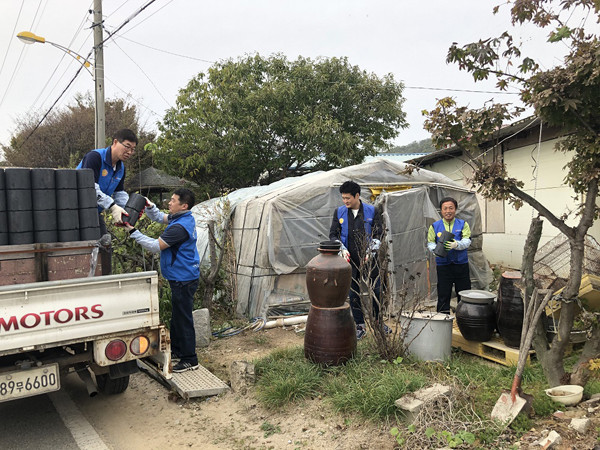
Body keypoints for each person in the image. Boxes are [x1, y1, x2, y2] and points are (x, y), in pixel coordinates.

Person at [123, 188, 201, 373]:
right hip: (182, 276)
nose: (169, 202)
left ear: (184, 205)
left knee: (183, 319)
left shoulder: (179, 228)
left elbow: (155, 246)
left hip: (184, 278)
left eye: (173, 200)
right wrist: (149, 206)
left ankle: (190, 359)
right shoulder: (181, 218)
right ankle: (179, 352)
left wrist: (133, 231)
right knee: (178, 317)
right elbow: (160, 217)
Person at [329, 181, 384, 339]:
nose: (345, 201)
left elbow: (378, 232)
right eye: (343, 198)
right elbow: (333, 234)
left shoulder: (372, 211)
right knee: (353, 294)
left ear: (357, 196)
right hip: (349, 260)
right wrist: (341, 248)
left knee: (377, 290)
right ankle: (360, 325)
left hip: (369, 258)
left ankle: (379, 322)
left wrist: (372, 249)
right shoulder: (338, 212)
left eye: (348, 198)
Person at [76, 129, 138, 234]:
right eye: (127, 147)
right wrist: (112, 206)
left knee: (104, 246)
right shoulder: (94, 157)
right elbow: (89, 189)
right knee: (83, 247)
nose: (129, 152)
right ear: (115, 142)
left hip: (94, 212)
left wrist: (130, 210)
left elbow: (119, 194)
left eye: (133, 149)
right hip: (75, 210)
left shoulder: (121, 169)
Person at [427, 197, 472, 314]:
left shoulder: (463, 224)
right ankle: (443, 319)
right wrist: (435, 249)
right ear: (441, 211)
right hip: (443, 265)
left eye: (451, 208)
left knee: (464, 293)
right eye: (445, 208)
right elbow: (430, 242)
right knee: (443, 293)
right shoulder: (434, 226)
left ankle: (463, 318)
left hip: (461, 264)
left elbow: (467, 241)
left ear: (455, 209)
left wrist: (457, 244)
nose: (448, 211)